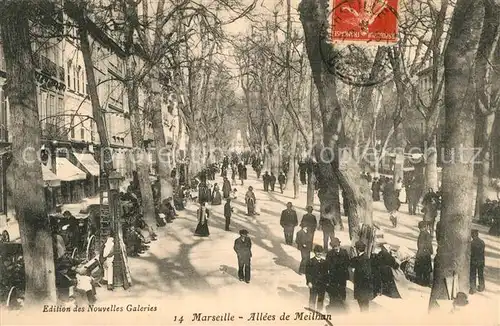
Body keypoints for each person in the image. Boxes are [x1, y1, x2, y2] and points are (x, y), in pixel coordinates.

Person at [325, 238, 349, 311]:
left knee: (342, 289)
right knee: (333, 290)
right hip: (333, 275)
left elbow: (347, 263)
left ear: (339, 245)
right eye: (334, 246)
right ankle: (333, 305)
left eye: (336, 246)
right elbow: (327, 265)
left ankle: (342, 304)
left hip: (342, 275)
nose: (335, 248)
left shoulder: (344, 252)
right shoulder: (329, 254)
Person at [350, 240, 374, 312]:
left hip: (361, 287)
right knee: (365, 305)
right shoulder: (366, 257)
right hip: (366, 287)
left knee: (363, 306)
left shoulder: (359, 259)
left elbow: (352, 263)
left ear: (357, 250)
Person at [305, 245, 328, 311]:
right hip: (313, 283)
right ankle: (311, 310)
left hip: (322, 284)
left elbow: (326, 273)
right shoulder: (310, 261)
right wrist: (309, 282)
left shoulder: (324, 262)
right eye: (318, 252)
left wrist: (326, 282)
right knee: (312, 297)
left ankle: (319, 310)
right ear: (315, 252)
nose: (319, 254)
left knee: (321, 298)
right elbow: (308, 273)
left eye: (320, 252)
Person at [415, 221, 433, 286]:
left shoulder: (422, 234)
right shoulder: (426, 234)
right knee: (425, 269)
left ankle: (420, 281)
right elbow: (429, 244)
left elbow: (420, 244)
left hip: (421, 253)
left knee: (420, 269)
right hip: (425, 253)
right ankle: (425, 282)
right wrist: (431, 251)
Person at [470, 229, 485, 294]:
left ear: (473, 235)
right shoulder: (482, 242)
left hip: (474, 261)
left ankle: (473, 288)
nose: (471, 236)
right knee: (480, 274)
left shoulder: (472, 243)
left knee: (473, 274)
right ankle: (481, 287)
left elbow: (470, 253)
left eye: (472, 234)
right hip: (481, 261)